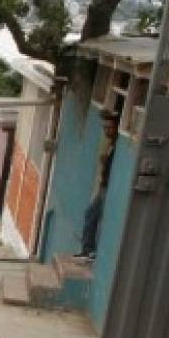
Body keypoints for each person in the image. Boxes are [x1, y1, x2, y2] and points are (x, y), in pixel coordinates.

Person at [76, 111, 119, 264]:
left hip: (107, 188)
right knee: (91, 215)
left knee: (93, 215)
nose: (106, 130)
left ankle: (89, 251)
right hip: (104, 187)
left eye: (109, 127)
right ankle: (88, 251)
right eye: (104, 127)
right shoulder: (112, 145)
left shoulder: (118, 146)